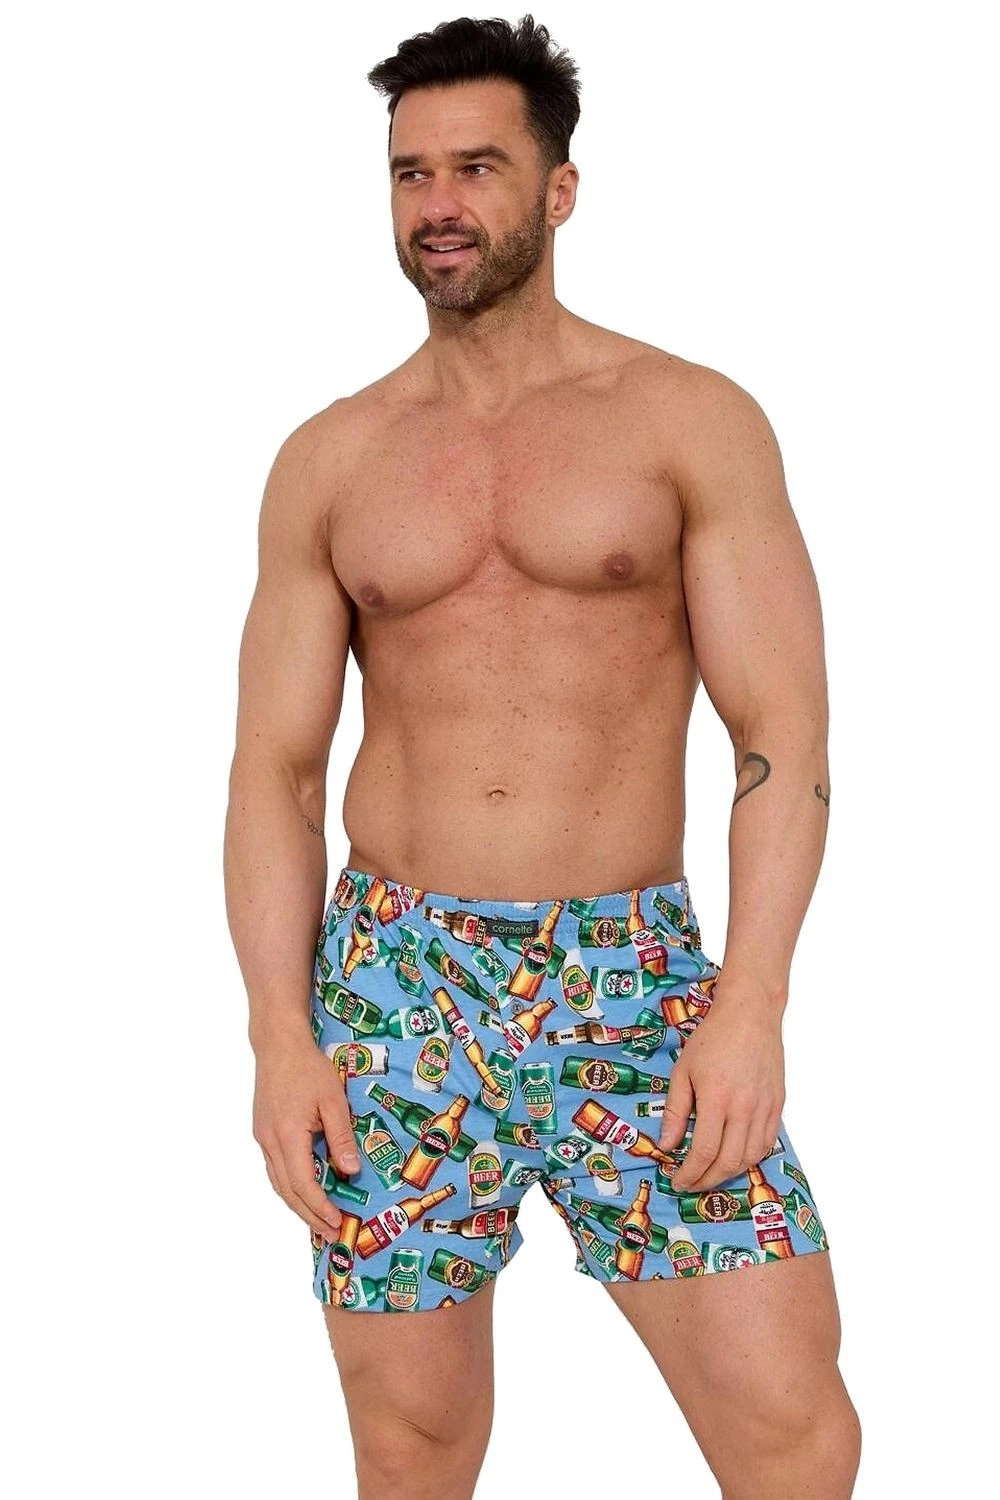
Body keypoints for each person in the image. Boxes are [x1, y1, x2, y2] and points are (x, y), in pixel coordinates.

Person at [223, 14, 861, 1499]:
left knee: (792, 1431)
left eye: (477, 168)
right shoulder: (332, 458)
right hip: (394, 987)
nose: (438, 205)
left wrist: (753, 1002)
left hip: (629, 982)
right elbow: (276, 774)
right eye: (410, 174)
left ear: (560, 190)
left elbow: (781, 733)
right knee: (413, 1444)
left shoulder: (690, 421)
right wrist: (279, 1038)